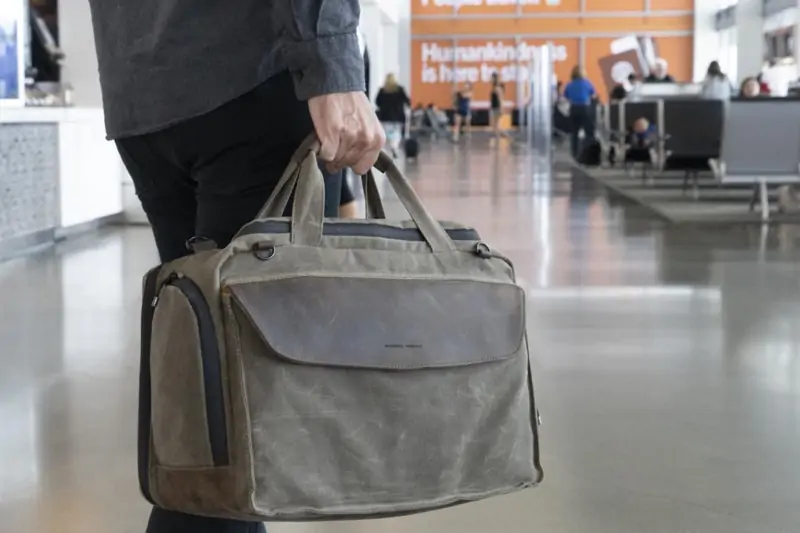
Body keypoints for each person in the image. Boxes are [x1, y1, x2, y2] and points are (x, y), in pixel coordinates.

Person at [86, 0, 384, 530]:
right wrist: (332, 60)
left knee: (208, 401)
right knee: (239, 417)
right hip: (250, 76)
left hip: (144, 92)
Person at [563, 65, 597, 159]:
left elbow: (566, 96)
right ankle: (589, 153)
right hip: (585, 108)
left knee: (574, 132)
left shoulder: (569, 84)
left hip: (573, 108)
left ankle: (575, 154)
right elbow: (593, 95)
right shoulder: (587, 83)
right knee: (589, 131)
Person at [375, 73, 410, 157]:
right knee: (396, 133)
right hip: (398, 116)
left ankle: (385, 149)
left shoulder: (382, 90)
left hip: (385, 116)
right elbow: (407, 101)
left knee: (386, 133)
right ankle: (394, 147)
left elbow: (377, 102)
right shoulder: (400, 90)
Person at [489, 72, 507, 142]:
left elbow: (501, 99)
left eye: (491, 78)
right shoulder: (494, 88)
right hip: (494, 107)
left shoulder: (498, 88)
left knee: (496, 125)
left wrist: (502, 108)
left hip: (497, 108)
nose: (490, 79)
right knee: (495, 125)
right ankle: (499, 136)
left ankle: (499, 137)